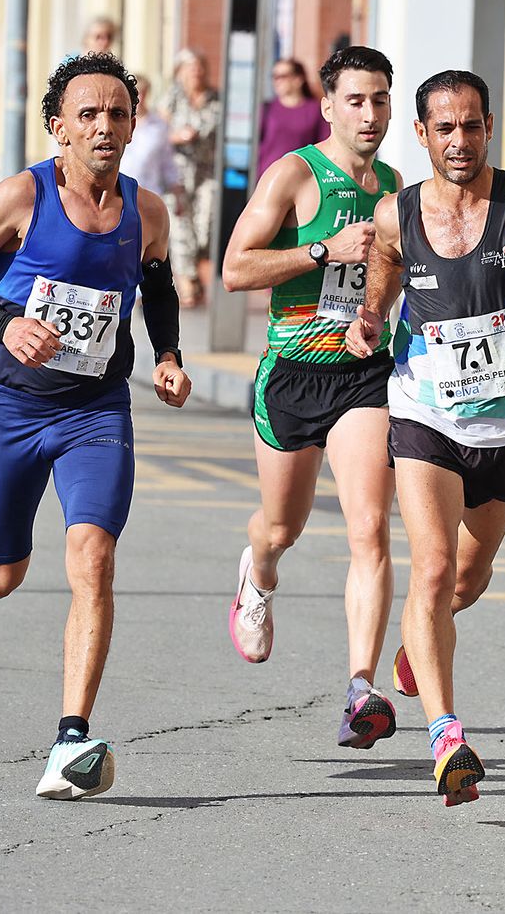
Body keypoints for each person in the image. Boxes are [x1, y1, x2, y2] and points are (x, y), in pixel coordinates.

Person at [0, 51, 193, 799]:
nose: (104, 126)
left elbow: (159, 287)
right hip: (13, 409)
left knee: (94, 559)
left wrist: (168, 353)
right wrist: (3, 322)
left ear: (134, 124)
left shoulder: (148, 211)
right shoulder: (21, 194)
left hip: (95, 410)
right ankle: (1, 555)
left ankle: (70, 738)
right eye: (88, 114)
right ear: (58, 127)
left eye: (117, 113)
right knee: (1, 577)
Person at [346, 69, 505, 805]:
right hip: (426, 413)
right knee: (429, 569)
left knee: (466, 578)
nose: (460, 141)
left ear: (488, 126)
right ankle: (446, 736)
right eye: (445, 128)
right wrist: (371, 316)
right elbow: (386, 266)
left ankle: (415, 649)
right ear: (422, 134)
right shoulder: (398, 213)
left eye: (472, 126)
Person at [219, 46, 404, 751]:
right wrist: (326, 250)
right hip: (294, 372)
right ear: (328, 106)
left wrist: (376, 310)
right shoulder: (295, 173)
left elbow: (389, 275)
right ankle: (258, 572)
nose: (369, 113)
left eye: (381, 99)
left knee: (370, 528)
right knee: (282, 527)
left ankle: (362, 686)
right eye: (356, 100)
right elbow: (238, 267)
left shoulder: (393, 186)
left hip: (362, 374)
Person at [164, 49, 220, 306]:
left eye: (199, 68)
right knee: (180, 226)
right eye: (190, 68)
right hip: (176, 173)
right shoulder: (172, 99)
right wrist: (176, 137)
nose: (195, 73)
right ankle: (187, 282)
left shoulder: (215, 99)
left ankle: (195, 272)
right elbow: (157, 131)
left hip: (207, 173)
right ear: (180, 73)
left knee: (204, 227)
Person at [121, 74, 184, 249]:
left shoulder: (159, 126)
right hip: (119, 196)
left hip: (148, 195)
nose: (139, 98)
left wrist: (178, 193)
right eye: (135, 93)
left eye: (143, 93)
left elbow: (168, 163)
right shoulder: (116, 122)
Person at [256, 58, 325, 176]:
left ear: (298, 79)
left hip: (302, 178)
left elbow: (323, 144)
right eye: (274, 76)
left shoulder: (315, 110)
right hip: (267, 177)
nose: (277, 81)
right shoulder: (268, 108)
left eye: (282, 76)